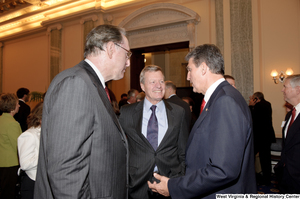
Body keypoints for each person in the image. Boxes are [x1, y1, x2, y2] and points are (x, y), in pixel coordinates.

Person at [148, 44, 256, 198]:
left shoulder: (225, 101)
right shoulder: (220, 98)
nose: (187, 77)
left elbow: (223, 170)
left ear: (204, 68)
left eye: (190, 70)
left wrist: (174, 186)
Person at [34, 24, 130, 198]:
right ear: (110, 48)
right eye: (127, 54)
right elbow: (66, 172)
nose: (128, 61)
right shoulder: (76, 83)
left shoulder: (93, 85)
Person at [119, 65, 189, 199]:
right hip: (137, 185)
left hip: (169, 184)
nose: (159, 86)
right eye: (153, 82)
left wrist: (178, 182)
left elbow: (183, 151)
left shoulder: (178, 112)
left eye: (161, 81)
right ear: (142, 86)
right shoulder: (127, 113)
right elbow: (119, 149)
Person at [275, 74, 300, 193]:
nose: (282, 90)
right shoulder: (290, 115)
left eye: (285, 86)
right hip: (285, 177)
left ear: (298, 89)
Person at [249, 91, 276, 185]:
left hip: (259, 136)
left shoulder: (258, 106)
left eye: (253, 98)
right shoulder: (268, 104)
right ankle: (267, 178)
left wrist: (250, 105)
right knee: (266, 158)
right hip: (267, 136)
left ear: (256, 99)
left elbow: (250, 117)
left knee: (251, 156)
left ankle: (253, 177)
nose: (251, 100)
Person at [17, 102, 43, 199]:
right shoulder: (29, 135)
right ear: (40, 119)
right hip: (33, 182)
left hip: (41, 181)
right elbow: (25, 164)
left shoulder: (45, 133)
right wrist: (46, 154)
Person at [0, 93, 22, 199]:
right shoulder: (12, 124)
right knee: (8, 192)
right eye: (18, 104)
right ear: (12, 107)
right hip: (10, 163)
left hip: (2, 162)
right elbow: (18, 146)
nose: (19, 106)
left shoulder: (1, 120)